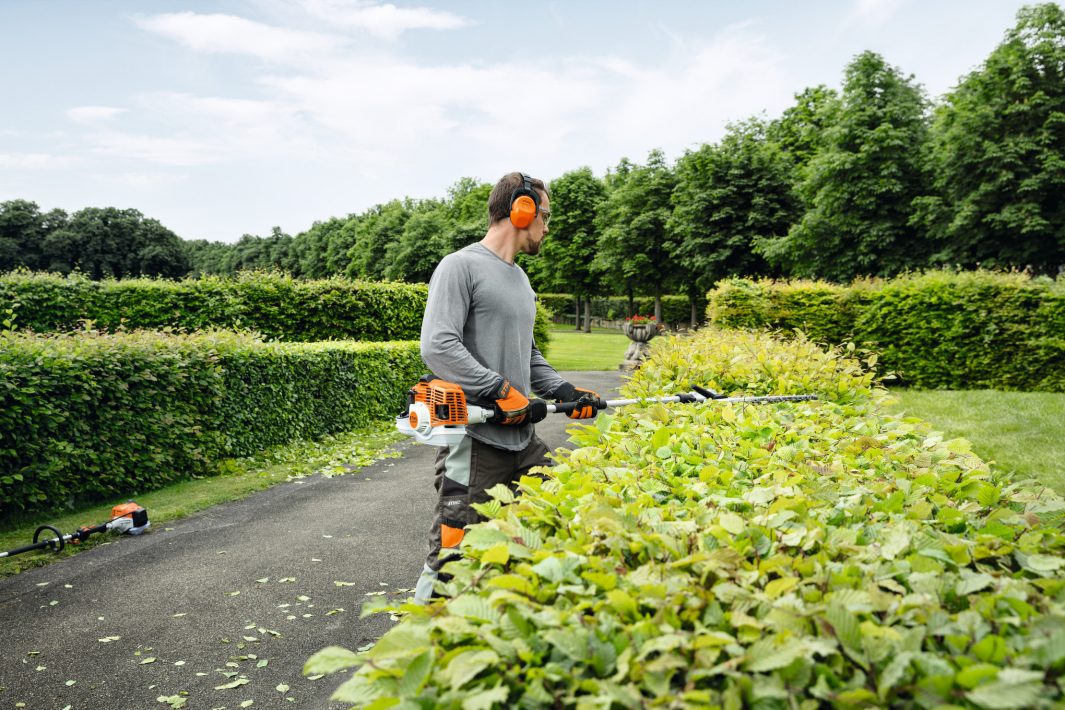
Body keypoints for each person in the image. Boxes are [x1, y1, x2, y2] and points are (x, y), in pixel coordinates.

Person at [413, 171, 601, 603]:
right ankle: (416, 642)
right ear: (522, 210)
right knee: (453, 558)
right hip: (476, 445)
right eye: (545, 216)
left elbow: (528, 355)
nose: (547, 228)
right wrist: (499, 389)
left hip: (523, 441)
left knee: (554, 522)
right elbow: (438, 345)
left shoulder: (521, 280)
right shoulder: (460, 266)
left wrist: (564, 390)